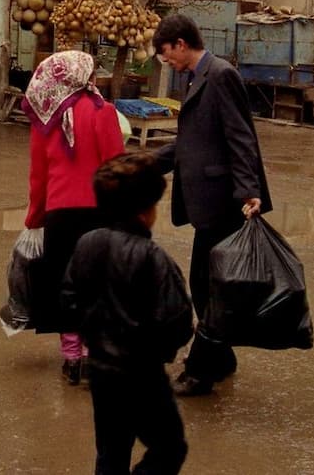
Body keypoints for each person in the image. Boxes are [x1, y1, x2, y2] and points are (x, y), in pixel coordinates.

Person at [150, 12, 272, 397]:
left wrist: (249, 190)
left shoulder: (221, 75)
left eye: (165, 52)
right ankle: (221, 358)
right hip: (208, 201)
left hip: (225, 201)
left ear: (181, 44)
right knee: (208, 286)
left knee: (209, 288)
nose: (164, 59)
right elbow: (192, 141)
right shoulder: (194, 76)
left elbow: (240, 136)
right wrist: (145, 163)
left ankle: (203, 371)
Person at [62, 153, 193, 475]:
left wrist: (92, 334)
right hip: (142, 374)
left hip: (102, 370)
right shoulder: (153, 257)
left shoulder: (87, 243)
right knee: (169, 447)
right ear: (146, 212)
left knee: (110, 452)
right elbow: (177, 322)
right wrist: (156, 351)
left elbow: (68, 301)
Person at [22, 49, 126, 385]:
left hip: (59, 216)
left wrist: (34, 219)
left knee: (66, 286)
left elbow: (38, 176)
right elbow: (116, 170)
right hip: (99, 213)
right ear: (85, 77)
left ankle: (71, 356)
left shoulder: (45, 118)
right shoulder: (104, 112)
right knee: (98, 286)